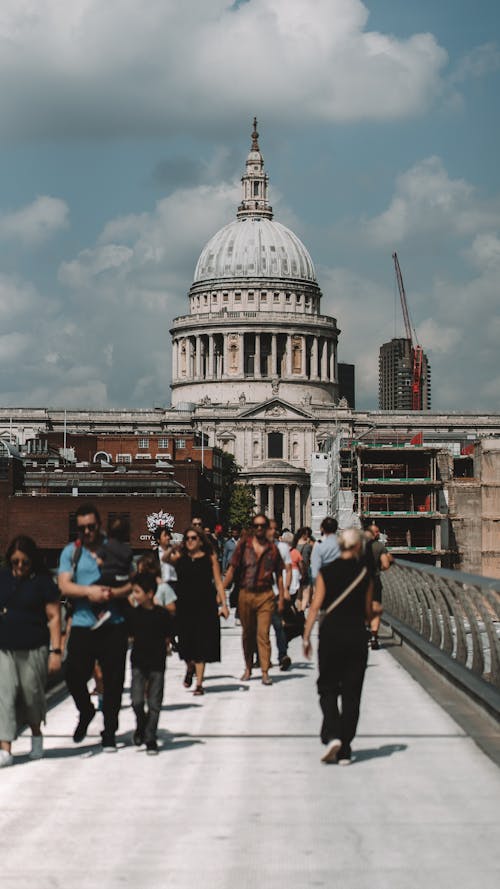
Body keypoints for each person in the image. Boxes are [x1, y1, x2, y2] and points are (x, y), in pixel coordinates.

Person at [58, 502, 130, 752]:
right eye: (82, 528)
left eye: (91, 527)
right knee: (72, 673)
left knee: (113, 682)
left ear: (99, 525)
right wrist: (89, 591)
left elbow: (131, 584)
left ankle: (109, 732)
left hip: (113, 625)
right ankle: (86, 711)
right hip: (82, 624)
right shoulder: (72, 552)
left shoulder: (115, 550)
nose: (87, 532)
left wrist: (110, 594)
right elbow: (65, 586)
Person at [303, 528, 373, 765]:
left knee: (327, 686)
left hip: (331, 634)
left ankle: (332, 734)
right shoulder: (365, 573)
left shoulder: (326, 571)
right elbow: (368, 611)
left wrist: (306, 636)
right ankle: (345, 749)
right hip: (356, 635)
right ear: (357, 547)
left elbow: (315, 606)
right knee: (352, 693)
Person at [0, 536, 61, 767]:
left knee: (31, 695)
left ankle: (36, 734)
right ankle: (5, 747)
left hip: (34, 646)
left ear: (32, 561)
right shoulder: (3, 578)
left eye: (24, 562)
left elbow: (55, 617)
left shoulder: (43, 582)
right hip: (4, 647)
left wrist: (56, 651)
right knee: (3, 696)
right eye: (15, 562)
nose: (19, 567)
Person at [223, 514, 285, 686]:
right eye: (256, 526)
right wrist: (221, 591)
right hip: (246, 593)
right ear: (252, 527)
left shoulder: (272, 549)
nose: (259, 529)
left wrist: (281, 597)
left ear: (266, 528)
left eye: (262, 526)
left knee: (263, 634)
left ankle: (265, 671)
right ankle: (248, 667)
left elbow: (279, 574)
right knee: (248, 634)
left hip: (265, 594)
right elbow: (232, 569)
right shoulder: (243, 546)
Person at [169, 526, 228, 695]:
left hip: (205, 606)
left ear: (201, 541)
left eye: (194, 538)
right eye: (187, 538)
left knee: (201, 645)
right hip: (184, 606)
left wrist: (224, 604)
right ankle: (190, 667)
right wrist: (173, 548)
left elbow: (218, 582)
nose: (190, 541)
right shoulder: (181, 557)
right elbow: (166, 560)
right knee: (186, 645)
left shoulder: (210, 558)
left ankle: (200, 684)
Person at [127, 573, 173, 755]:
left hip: (157, 664)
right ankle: (141, 724)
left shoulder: (162, 614)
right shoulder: (133, 614)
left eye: (137, 592)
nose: (134, 595)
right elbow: (128, 634)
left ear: (149, 593)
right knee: (137, 701)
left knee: (154, 703)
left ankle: (150, 737)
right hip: (138, 662)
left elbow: (169, 635)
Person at [92, 516, 134, 629]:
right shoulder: (128, 549)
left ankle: (100, 613)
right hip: (123, 579)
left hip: (108, 578)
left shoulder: (106, 546)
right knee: (122, 600)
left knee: (92, 589)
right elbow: (129, 567)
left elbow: (98, 561)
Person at [269, 521, 292, 671]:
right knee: (261, 629)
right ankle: (260, 657)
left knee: (279, 626)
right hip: (261, 592)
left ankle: (282, 655)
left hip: (277, 592)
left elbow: (289, 570)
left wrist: (286, 590)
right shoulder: (256, 546)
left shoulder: (283, 547)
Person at [365, 524, 392, 650]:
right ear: (374, 533)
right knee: (375, 607)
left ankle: (365, 629)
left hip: (360, 581)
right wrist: (378, 568)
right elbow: (386, 565)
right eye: (377, 532)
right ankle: (374, 636)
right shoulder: (379, 547)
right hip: (374, 580)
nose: (379, 534)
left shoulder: (358, 546)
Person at [310, 516, 340, 583]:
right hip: (341, 579)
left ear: (322, 529)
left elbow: (315, 569)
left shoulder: (319, 544)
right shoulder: (343, 544)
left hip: (325, 580)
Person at [293, 527, 314, 611]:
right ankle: (302, 610)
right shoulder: (308, 545)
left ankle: (298, 608)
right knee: (306, 591)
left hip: (296, 569)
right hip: (306, 569)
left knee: (298, 592)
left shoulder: (294, 544)